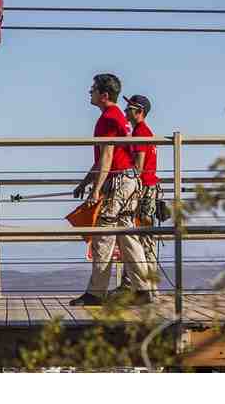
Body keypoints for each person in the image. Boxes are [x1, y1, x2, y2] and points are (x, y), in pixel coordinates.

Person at [69, 74, 151, 306]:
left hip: (118, 181)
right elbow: (106, 157)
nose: (90, 92)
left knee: (103, 233)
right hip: (128, 180)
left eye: (93, 89)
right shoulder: (117, 117)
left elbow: (107, 156)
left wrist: (95, 190)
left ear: (104, 95)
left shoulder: (107, 118)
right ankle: (142, 289)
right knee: (127, 234)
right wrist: (86, 182)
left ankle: (96, 293)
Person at [112, 95, 160, 299]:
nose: (125, 111)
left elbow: (139, 166)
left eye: (129, 108)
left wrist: (127, 183)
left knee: (142, 239)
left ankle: (147, 288)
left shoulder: (141, 132)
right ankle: (138, 285)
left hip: (144, 189)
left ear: (140, 111)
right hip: (148, 188)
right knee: (138, 238)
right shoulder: (143, 132)